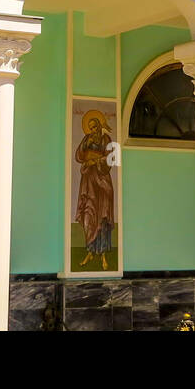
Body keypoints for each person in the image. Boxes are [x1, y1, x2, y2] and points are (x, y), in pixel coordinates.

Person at [74, 110, 115, 270]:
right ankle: (90, 252)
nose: (93, 130)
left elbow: (111, 158)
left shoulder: (106, 139)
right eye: (90, 128)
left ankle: (103, 255)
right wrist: (86, 145)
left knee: (102, 217)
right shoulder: (87, 139)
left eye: (95, 126)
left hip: (102, 181)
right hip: (89, 181)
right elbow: (79, 156)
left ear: (99, 126)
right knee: (89, 215)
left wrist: (96, 160)